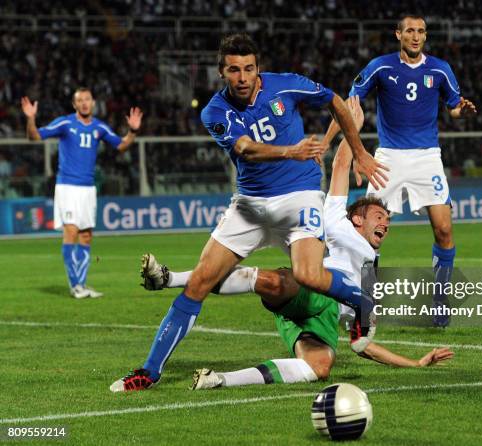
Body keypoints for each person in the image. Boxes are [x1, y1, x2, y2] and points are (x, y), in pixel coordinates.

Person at [110, 34, 387, 392]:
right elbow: (245, 148)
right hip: (250, 205)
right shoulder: (215, 111)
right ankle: (148, 372)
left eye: (249, 69)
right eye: (234, 70)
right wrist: (291, 151)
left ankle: (363, 302)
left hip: (298, 196)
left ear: (259, 69)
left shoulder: (286, 85)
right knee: (198, 286)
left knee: (309, 276)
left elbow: (335, 101)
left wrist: (358, 149)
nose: (242, 77)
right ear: (221, 72)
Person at [137, 97, 453, 390]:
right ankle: (170, 279)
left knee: (320, 367)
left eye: (388, 219)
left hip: (324, 319)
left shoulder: (372, 272)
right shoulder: (335, 218)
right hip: (312, 288)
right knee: (278, 281)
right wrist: (351, 127)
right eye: (379, 215)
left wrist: (415, 362)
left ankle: (218, 380)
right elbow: (341, 165)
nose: (386, 221)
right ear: (357, 218)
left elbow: (363, 344)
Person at [324, 15, 477, 327]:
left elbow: (453, 108)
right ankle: (361, 302)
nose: (416, 36)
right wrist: (333, 144)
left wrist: (463, 110)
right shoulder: (380, 67)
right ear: (398, 34)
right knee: (366, 233)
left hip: (427, 157)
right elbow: (348, 106)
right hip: (388, 157)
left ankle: (440, 301)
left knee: (444, 229)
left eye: (421, 31)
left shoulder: (440, 69)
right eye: (410, 31)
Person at [21, 89, 142, 298]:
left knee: (86, 235)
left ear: (93, 102)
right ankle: (75, 285)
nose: (84, 103)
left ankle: (82, 285)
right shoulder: (65, 124)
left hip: (88, 188)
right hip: (67, 187)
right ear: (74, 104)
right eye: (80, 100)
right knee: (71, 231)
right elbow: (34, 136)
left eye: (87, 99)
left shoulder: (99, 127)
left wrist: (132, 131)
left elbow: (121, 145)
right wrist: (31, 119)